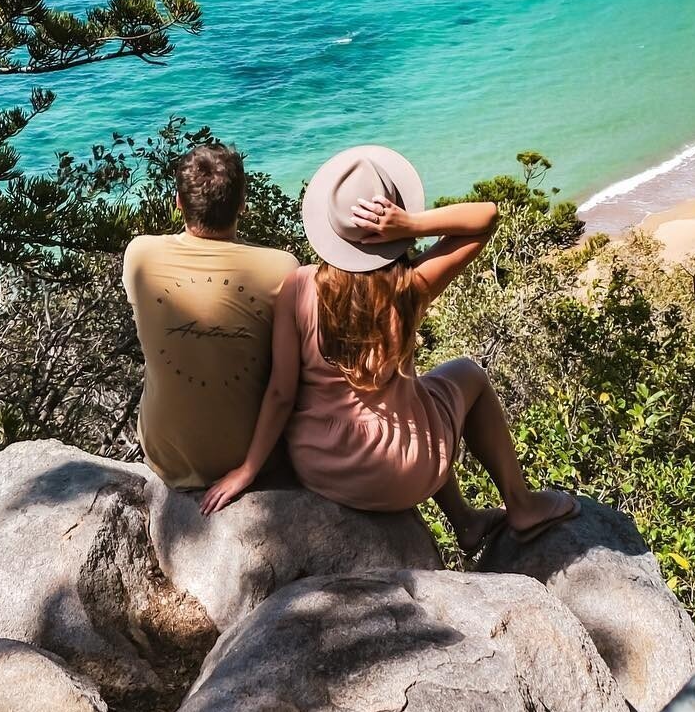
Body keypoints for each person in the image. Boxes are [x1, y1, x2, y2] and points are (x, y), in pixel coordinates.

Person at [200, 144, 577, 552]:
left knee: (421, 399)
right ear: (391, 220)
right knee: (466, 376)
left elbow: (280, 393)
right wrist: (411, 225)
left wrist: (248, 469)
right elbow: (486, 218)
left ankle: (466, 521)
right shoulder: (410, 287)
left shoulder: (298, 286)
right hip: (405, 471)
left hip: (323, 467)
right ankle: (519, 504)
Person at [122, 141, 299, 489]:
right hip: (251, 457)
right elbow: (282, 391)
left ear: (178, 203)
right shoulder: (282, 269)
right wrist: (248, 470)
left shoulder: (139, 254)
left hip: (165, 456)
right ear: (243, 205)